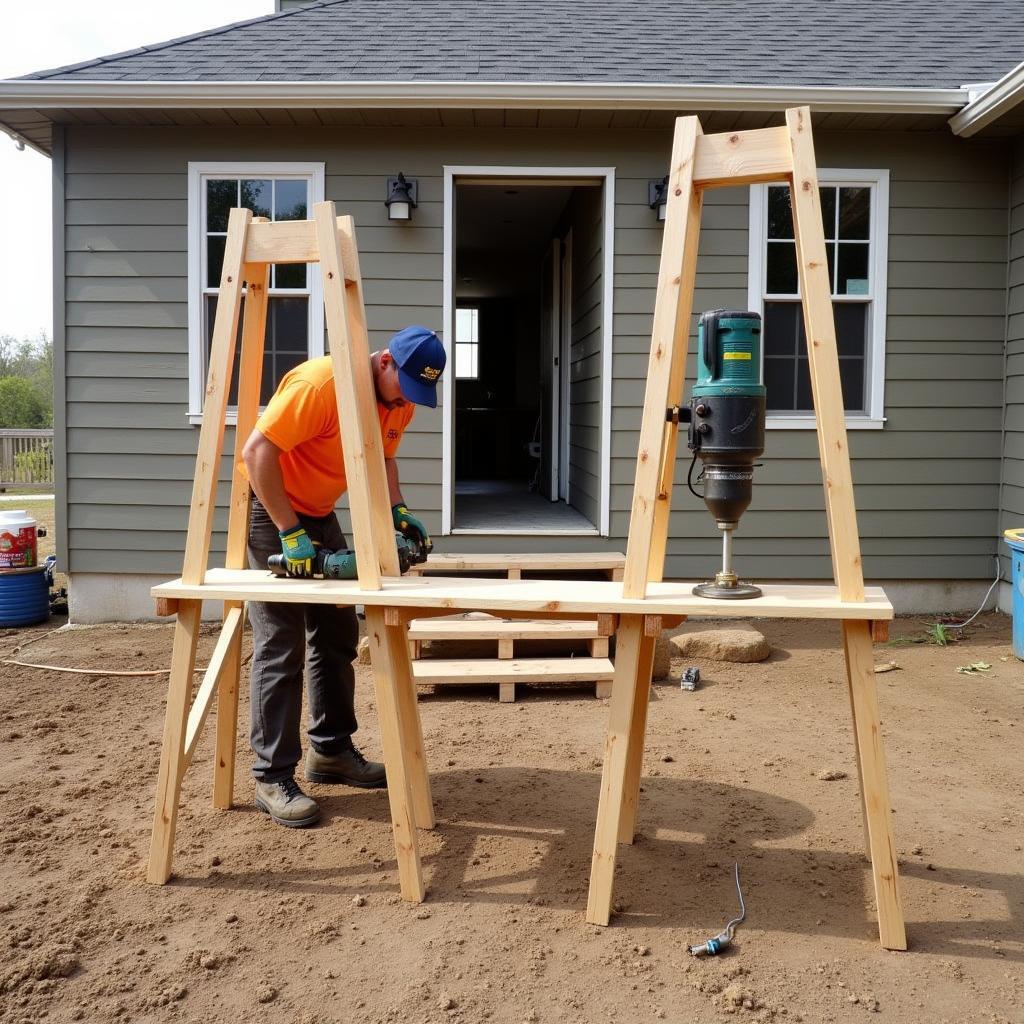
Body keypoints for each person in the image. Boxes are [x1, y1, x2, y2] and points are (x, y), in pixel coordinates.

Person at [241, 325, 446, 828]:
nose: (407, 402)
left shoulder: (402, 399)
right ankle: (271, 775)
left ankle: (330, 751)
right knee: (280, 641)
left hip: (320, 511)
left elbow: (384, 457)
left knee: (336, 633)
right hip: (274, 511)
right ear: (384, 362)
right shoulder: (320, 385)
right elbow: (256, 453)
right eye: (405, 386)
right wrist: (290, 534)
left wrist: (398, 510)